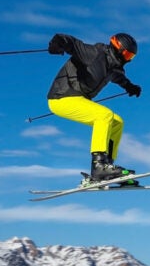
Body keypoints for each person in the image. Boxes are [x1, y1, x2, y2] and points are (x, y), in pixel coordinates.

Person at [47, 32, 142, 183]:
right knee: (104, 116)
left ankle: (108, 167)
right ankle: (99, 166)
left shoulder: (114, 67)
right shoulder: (94, 53)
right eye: (128, 54)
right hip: (62, 97)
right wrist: (57, 43)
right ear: (118, 48)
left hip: (79, 99)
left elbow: (118, 77)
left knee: (117, 122)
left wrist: (129, 86)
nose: (128, 59)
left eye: (132, 57)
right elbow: (70, 42)